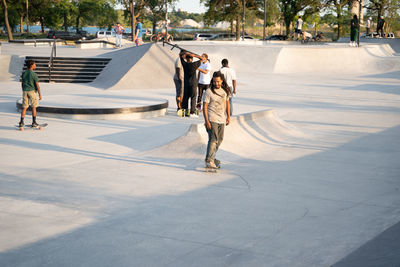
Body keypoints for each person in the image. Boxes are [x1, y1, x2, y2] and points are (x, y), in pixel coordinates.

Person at [203, 71, 231, 169]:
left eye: (218, 82)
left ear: (222, 81)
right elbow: (205, 107)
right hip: (212, 118)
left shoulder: (225, 91)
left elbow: (227, 104)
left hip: (222, 119)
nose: (216, 84)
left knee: (220, 140)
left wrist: (228, 116)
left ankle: (212, 157)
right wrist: (207, 121)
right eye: (215, 82)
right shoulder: (208, 92)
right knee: (213, 139)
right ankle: (209, 160)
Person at [19, 60, 42, 128]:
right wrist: (40, 95)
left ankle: (21, 122)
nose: (35, 65)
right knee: (33, 107)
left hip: (25, 91)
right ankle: (34, 122)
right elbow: (37, 86)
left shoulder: (24, 73)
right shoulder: (34, 74)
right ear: (31, 65)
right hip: (32, 92)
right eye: (35, 64)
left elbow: (22, 83)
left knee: (24, 107)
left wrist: (23, 90)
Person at [180, 51, 202, 116]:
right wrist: (194, 55)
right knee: (193, 97)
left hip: (186, 83)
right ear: (192, 59)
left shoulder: (184, 64)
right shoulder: (194, 64)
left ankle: (185, 112)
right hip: (193, 84)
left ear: (186, 59)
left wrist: (186, 54)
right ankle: (192, 112)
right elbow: (202, 58)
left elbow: (180, 56)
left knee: (185, 98)